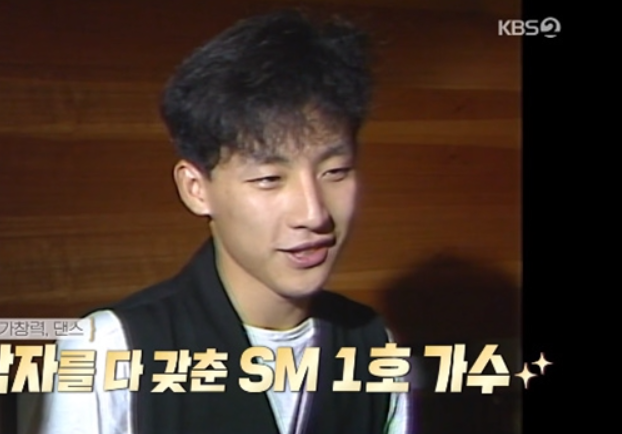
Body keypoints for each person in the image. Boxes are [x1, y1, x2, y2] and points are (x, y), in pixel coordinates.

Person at [37, 9, 408, 434]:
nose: (314, 214)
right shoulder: (108, 349)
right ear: (196, 188)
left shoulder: (373, 344)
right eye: (269, 179)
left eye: (335, 171)